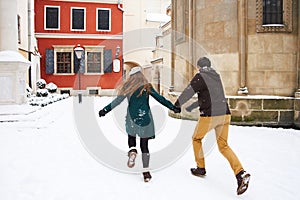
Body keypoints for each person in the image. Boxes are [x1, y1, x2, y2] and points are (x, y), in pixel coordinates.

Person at [174, 57, 250, 195]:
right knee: (224, 146)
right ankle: (240, 173)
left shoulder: (200, 76)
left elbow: (189, 91)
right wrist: (192, 106)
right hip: (225, 114)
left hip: (210, 115)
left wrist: (177, 105)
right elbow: (208, 95)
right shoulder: (216, 77)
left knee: (196, 138)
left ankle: (200, 167)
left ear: (199, 66)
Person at [98, 66, 181, 182]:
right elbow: (160, 99)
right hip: (144, 119)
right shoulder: (147, 87)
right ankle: (146, 172)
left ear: (131, 77)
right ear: (141, 75)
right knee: (144, 146)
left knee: (131, 137)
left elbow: (117, 101)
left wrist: (104, 110)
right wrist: (173, 107)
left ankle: (132, 151)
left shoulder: (127, 87)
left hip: (132, 118)